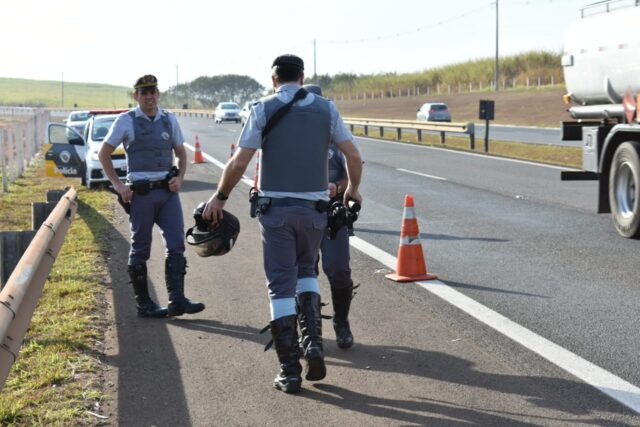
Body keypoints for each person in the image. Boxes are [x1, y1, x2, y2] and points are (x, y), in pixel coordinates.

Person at [202, 55, 363, 393]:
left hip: (276, 212)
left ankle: (289, 370)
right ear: (302, 78)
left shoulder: (263, 108)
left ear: (273, 79)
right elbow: (353, 156)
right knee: (307, 273)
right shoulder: (327, 109)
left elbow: (239, 162)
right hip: (315, 211)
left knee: (280, 286)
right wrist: (352, 190)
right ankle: (314, 343)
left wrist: (220, 197)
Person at [99, 74, 204, 319]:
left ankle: (177, 300)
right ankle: (144, 304)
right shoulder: (126, 121)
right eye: (143, 92)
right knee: (140, 247)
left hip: (167, 193)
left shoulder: (168, 119)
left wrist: (180, 177)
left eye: (152, 92)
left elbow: (181, 153)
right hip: (142, 194)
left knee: (176, 243)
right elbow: (104, 154)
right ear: (136, 96)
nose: (149, 97)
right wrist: (118, 185)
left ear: (158, 94)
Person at [303, 84, 359, 350]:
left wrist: (338, 187)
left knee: (338, 269)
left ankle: (341, 321)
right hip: (301, 213)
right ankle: (310, 326)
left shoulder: (336, 133)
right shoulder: (292, 135)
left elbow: (351, 169)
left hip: (332, 214)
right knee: (305, 270)